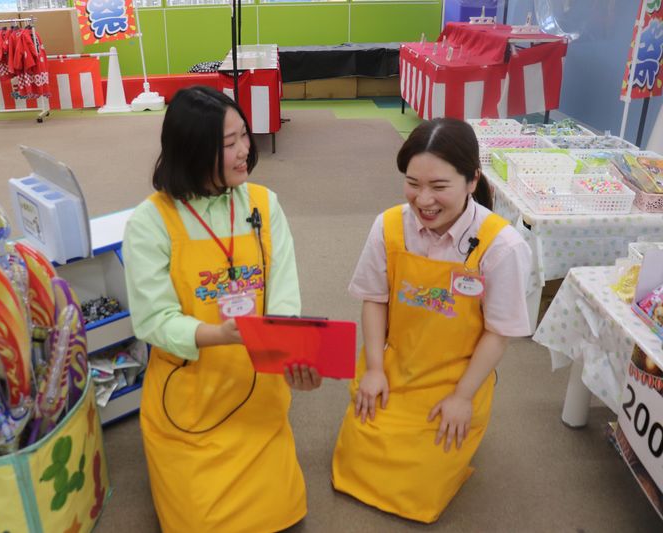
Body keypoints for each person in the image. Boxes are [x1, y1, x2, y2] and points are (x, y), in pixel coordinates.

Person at [122, 86, 322, 533]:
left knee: (284, 517)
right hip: (189, 401)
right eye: (229, 143)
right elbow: (153, 321)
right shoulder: (150, 222)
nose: (244, 150)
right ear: (192, 150)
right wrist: (219, 335)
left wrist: (292, 353)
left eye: (244, 135)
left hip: (259, 396)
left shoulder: (264, 204)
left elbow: (284, 295)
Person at [331, 117, 533, 524]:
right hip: (395, 365)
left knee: (419, 486)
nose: (423, 200)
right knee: (355, 458)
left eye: (439, 186)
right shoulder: (389, 225)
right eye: (413, 183)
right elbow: (374, 300)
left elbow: (497, 333)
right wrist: (374, 370)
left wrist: (462, 398)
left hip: (457, 378)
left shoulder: (502, 246)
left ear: (472, 180)